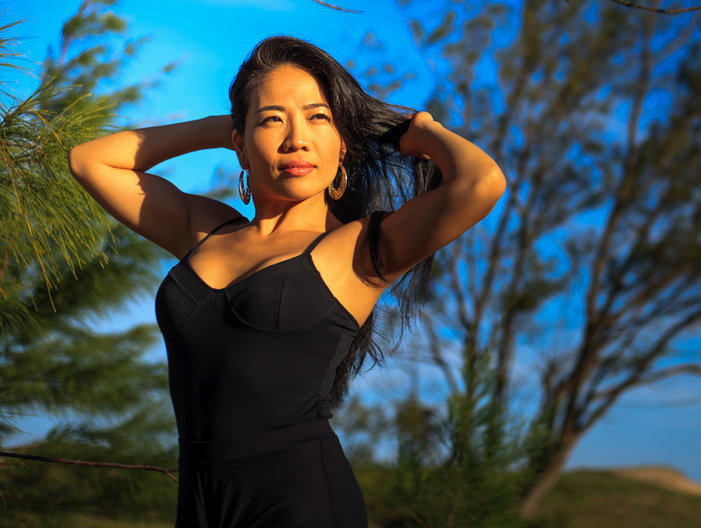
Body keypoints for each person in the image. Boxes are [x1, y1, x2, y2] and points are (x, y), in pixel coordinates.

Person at [67, 35, 506, 528]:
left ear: (343, 142)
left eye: (318, 118)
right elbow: (89, 160)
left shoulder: (360, 249)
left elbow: (482, 182)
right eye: (273, 120)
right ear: (241, 143)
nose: (296, 138)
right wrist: (224, 128)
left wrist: (422, 131)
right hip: (199, 503)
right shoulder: (204, 230)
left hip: (302, 503)